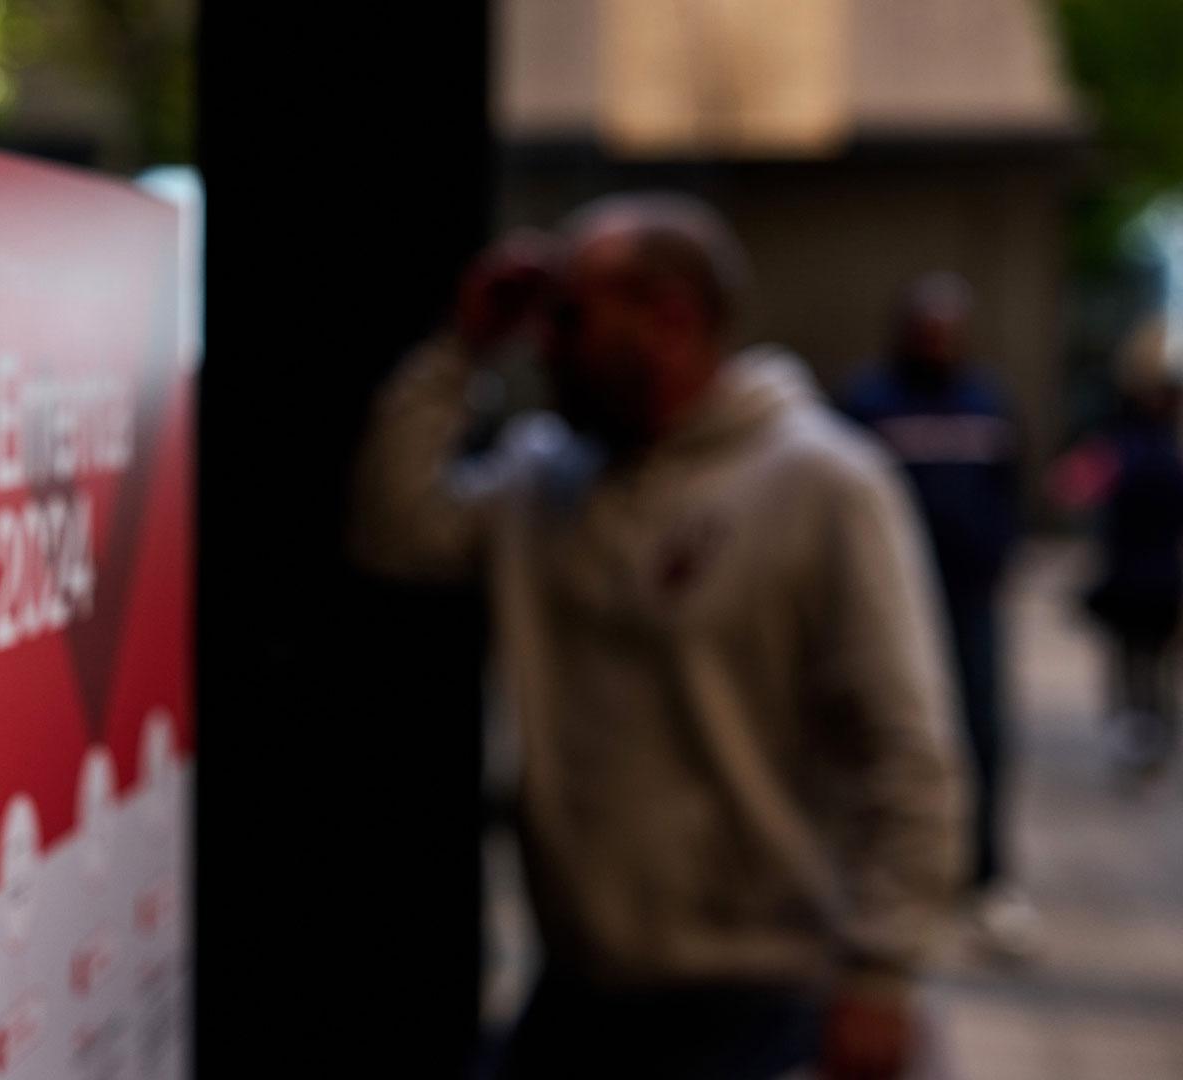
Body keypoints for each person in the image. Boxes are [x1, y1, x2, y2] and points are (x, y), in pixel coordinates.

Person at [353, 194, 964, 1080]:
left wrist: (883, 971)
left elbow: (909, 748)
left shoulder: (825, 483)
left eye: (569, 318)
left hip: (765, 1001)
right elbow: (394, 528)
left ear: (671, 316)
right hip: (578, 994)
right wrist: (461, 350)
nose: (545, 346)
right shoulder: (539, 483)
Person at [840, 275, 1032, 960]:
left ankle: (983, 878)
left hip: (971, 600)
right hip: (890, 603)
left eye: (948, 330)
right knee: (890, 734)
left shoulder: (986, 401)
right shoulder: (868, 401)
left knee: (981, 733)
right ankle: (878, 877)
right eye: (925, 329)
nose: (936, 341)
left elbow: (1012, 487)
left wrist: (1000, 558)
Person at [1073, 317, 1183, 777]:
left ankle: (1150, 746)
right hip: (1129, 572)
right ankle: (1136, 745)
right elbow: (1073, 487)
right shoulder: (1120, 441)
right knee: (1130, 666)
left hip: (1162, 575)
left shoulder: (1161, 445)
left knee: (1153, 669)